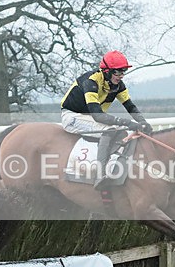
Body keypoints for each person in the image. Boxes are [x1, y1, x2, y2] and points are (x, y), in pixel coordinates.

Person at [60, 50, 153, 189]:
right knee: (109, 130)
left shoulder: (118, 86)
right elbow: (98, 116)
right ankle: (99, 175)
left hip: (89, 117)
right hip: (72, 116)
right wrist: (127, 122)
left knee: (120, 132)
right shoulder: (91, 82)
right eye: (117, 72)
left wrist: (143, 122)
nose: (121, 75)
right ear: (107, 71)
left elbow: (130, 106)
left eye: (123, 71)